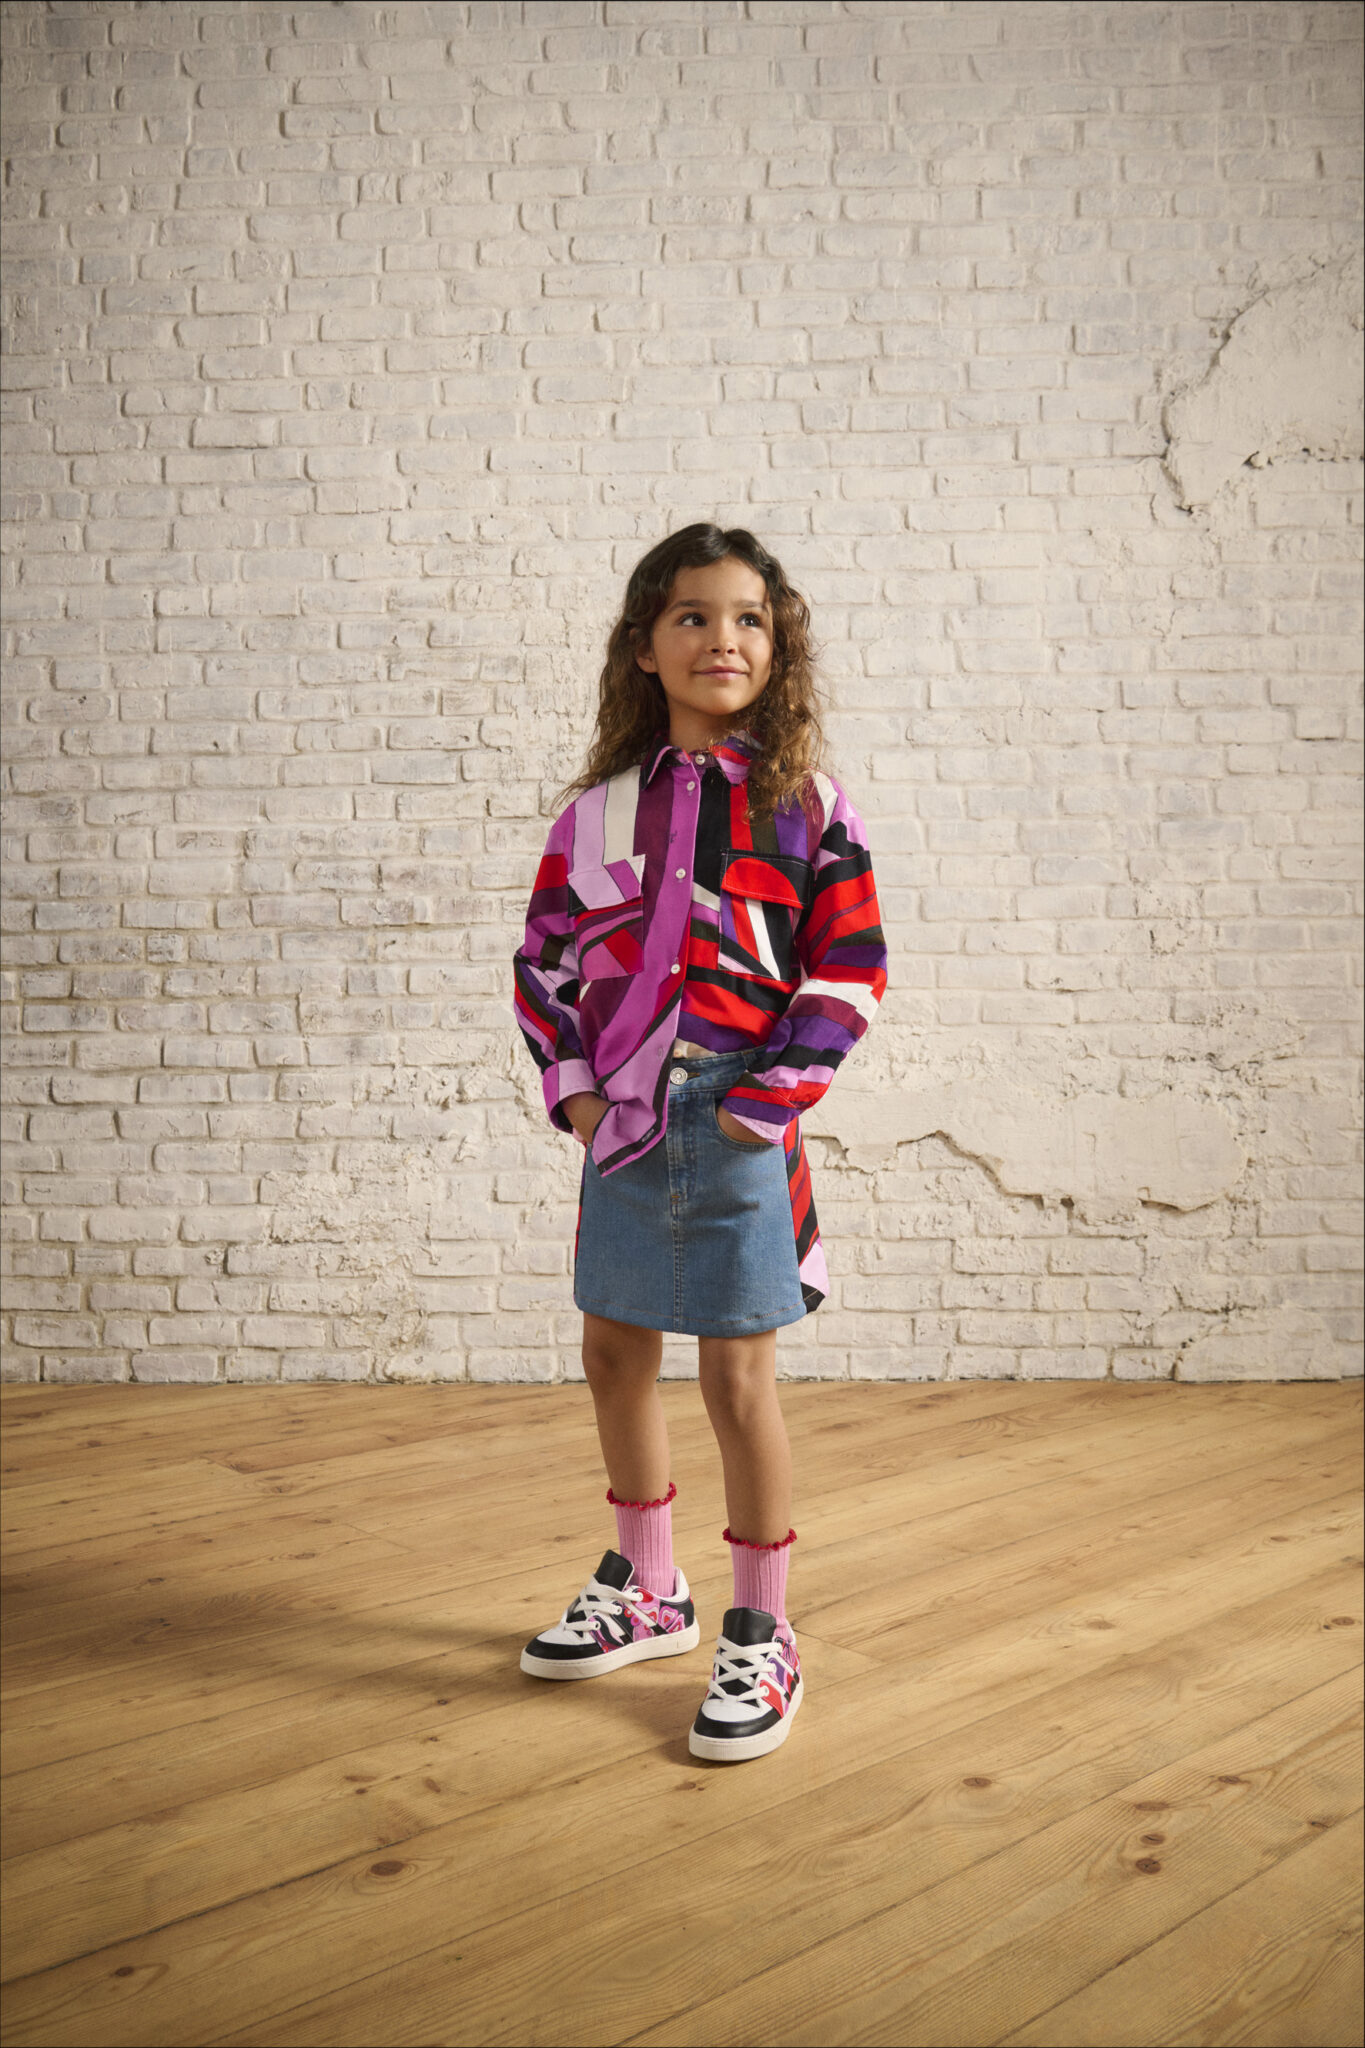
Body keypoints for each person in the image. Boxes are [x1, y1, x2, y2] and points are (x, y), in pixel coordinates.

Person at [512, 522, 887, 1762]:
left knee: (735, 1379)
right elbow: (546, 961)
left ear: (778, 652)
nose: (721, 638)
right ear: (642, 649)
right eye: (692, 617)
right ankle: (650, 1583)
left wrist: (767, 1097)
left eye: (748, 620)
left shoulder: (806, 808)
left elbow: (851, 963)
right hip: (619, 1118)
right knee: (613, 1351)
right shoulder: (592, 816)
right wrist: (575, 1089)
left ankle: (761, 1626)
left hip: (739, 1116)